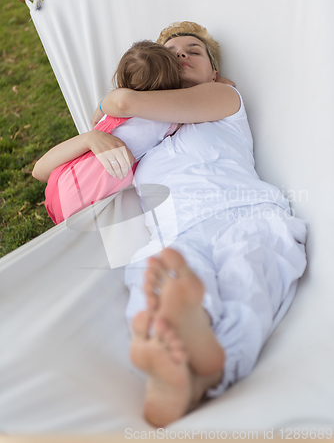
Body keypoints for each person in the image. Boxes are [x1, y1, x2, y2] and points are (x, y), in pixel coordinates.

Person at [93, 21, 308, 427]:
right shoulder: (140, 132)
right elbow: (43, 170)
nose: (182, 54)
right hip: (177, 230)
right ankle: (172, 346)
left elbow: (118, 102)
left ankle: (201, 368)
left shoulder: (222, 97)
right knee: (154, 272)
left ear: (214, 71)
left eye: (194, 50)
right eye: (171, 51)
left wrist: (116, 107)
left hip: (245, 213)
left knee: (249, 272)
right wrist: (92, 139)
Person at [32, 41, 184, 224]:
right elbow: (184, 114)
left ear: (121, 81)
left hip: (59, 186)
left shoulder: (110, 110)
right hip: (89, 198)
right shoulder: (160, 119)